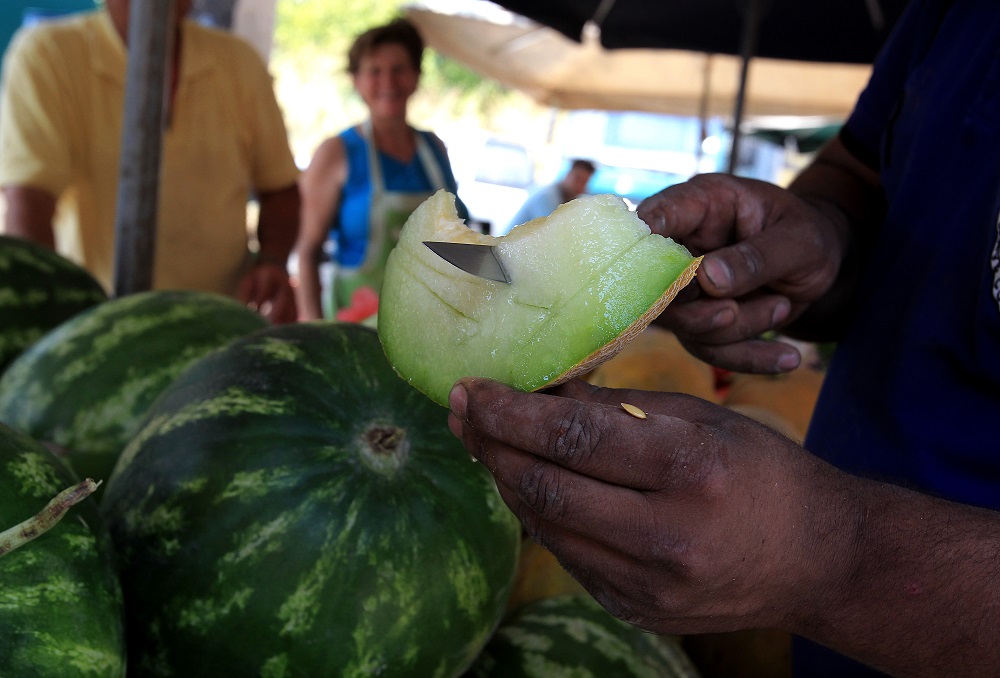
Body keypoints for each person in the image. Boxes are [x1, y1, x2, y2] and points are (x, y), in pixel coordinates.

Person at [445, 0, 1000, 676]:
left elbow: (825, 555)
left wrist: (829, 554)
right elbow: (859, 175)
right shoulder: (948, 11)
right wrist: (822, 238)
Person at [0, 0, 300, 324]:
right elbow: (29, 200)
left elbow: (280, 190)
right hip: (96, 325)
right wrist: (42, 314)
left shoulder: (239, 63)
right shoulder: (48, 55)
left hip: (221, 324)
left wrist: (272, 261)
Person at [293, 18, 465, 323]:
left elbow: (460, 240)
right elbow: (307, 252)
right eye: (375, 71)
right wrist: (313, 328)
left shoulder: (435, 149)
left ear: (416, 76)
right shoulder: (336, 153)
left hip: (431, 324)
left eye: (399, 69)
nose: (388, 82)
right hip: (355, 328)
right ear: (356, 81)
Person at [507, 158, 595, 229]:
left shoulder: (569, 199)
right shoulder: (546, 196)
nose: (579, 185)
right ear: (568, 175)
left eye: (584, 182)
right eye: (577, 179)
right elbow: (553, 231)